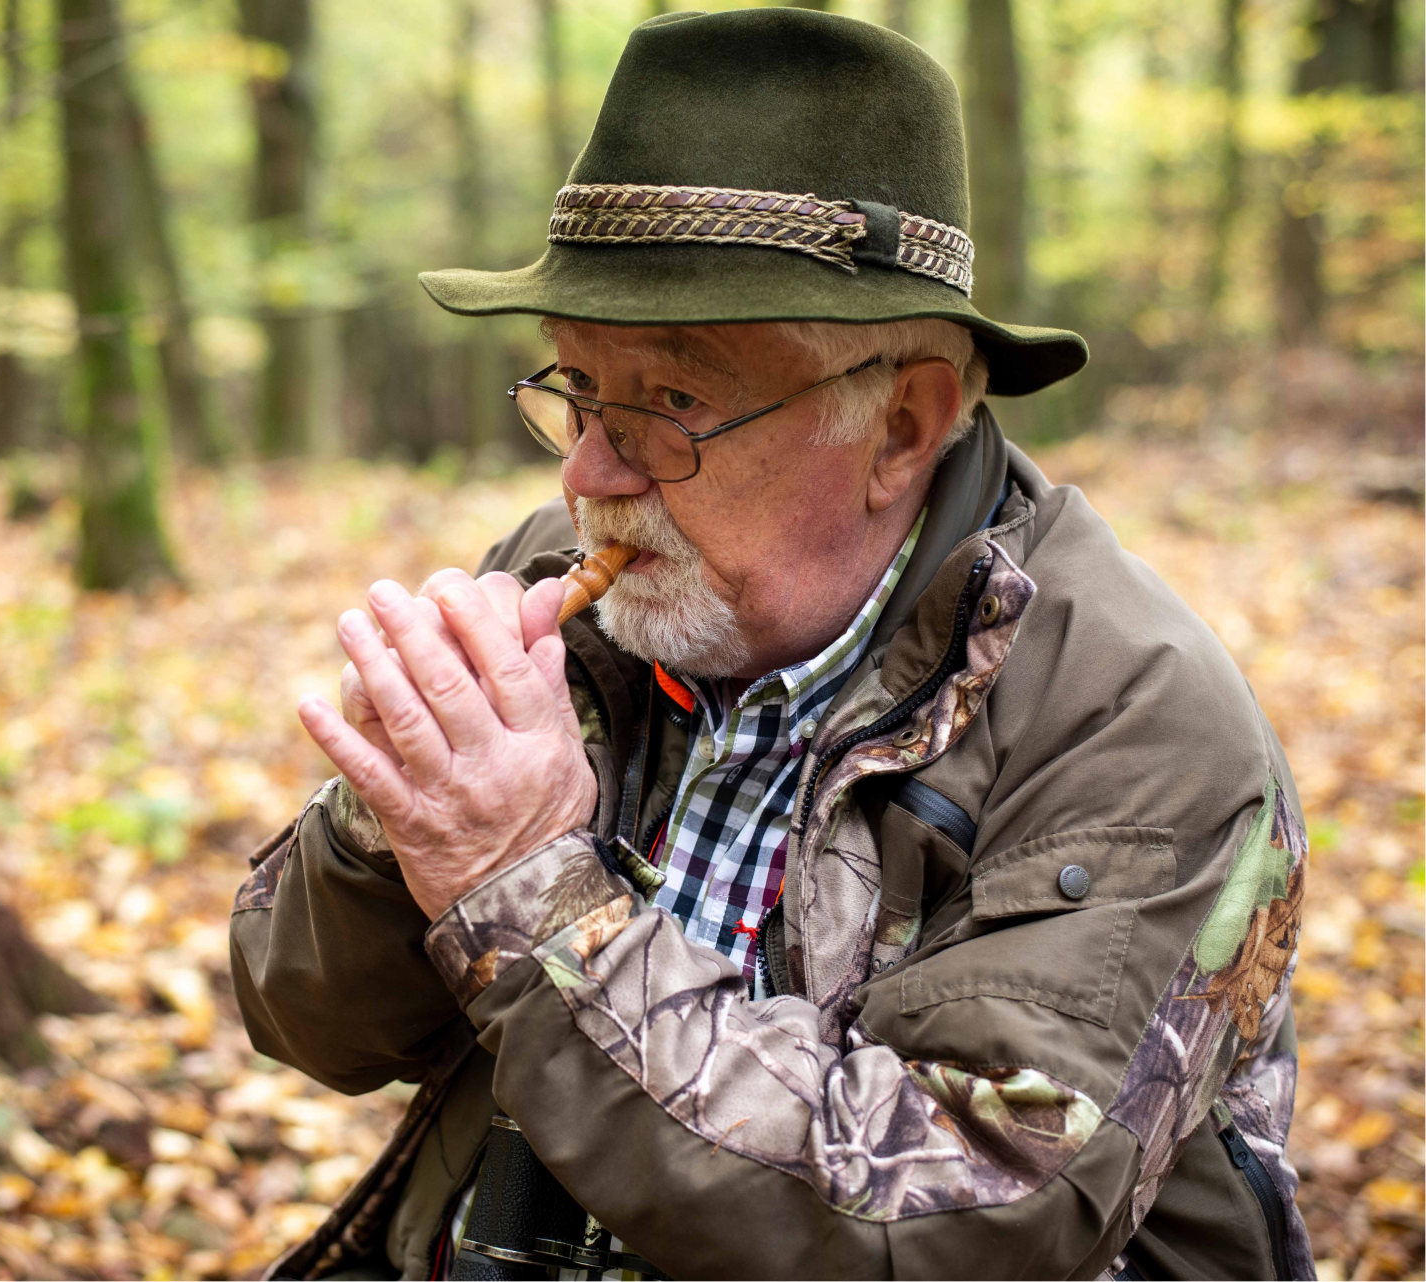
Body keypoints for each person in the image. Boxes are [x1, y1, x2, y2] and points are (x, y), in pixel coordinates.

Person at [230, 9, 1312, 1281]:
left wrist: (526, 887)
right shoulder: (578, 578)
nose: (590, 471)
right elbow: (310, 1020)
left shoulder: (1136, 720)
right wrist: (401, 807)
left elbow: (971, 1222)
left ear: (902, 427)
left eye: (672, 401)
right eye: (575, 386)